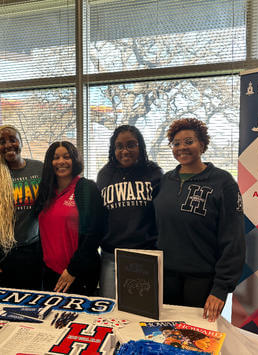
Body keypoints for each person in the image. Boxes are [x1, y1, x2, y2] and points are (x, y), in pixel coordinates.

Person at [153, 117, 245, 322]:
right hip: (165, 278)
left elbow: (233, 239)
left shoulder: (223, 182)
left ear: (202, 144)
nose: (182, 148)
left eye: (189, 141)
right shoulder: (165, 180)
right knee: (163, 338)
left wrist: (221, 287)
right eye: (176, 143)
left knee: (195, 341)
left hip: (202, 280)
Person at [0, 124, 43, 290]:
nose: (8, 145)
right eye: (1, 142)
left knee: (31, 304)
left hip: (31, 252)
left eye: (12, 139)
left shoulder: (39, 169)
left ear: (20, 142)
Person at [96, 125, 163, 298]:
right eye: (119, 146)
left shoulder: (154, 173)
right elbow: (100, 216)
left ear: (140, 146)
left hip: (144, 255)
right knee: (108, 309)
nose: (125, 151)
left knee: (142, 312)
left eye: (131, 145)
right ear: (113, 149)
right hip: (111, 256)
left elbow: (162, 215)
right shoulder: (105, 175)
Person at [33, 141, 104, 296]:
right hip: (50, 272)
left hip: (78, 273)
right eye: (56, 157)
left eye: (66, 157)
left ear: (74, 160)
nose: (61, 162)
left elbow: (95, 232)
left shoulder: (86, 188)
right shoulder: (46, 190)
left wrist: (73, 270)